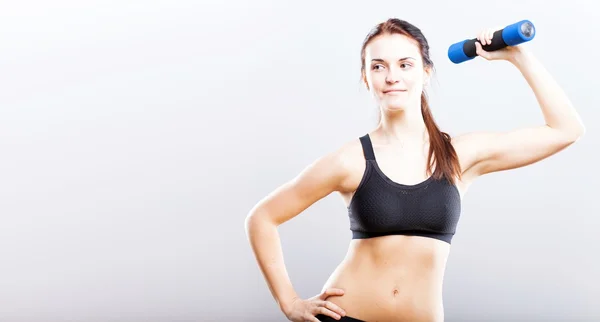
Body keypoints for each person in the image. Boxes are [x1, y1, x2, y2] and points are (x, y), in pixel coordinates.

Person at [244, 18, 585, 322]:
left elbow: (566, 130)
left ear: (425, 71)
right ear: (366, 78)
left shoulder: (459, 155)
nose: (392, 76)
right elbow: (262, 218)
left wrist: (518, 57)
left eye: (405, 64)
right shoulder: (350, 161)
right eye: (378, 67)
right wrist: (288, 302)